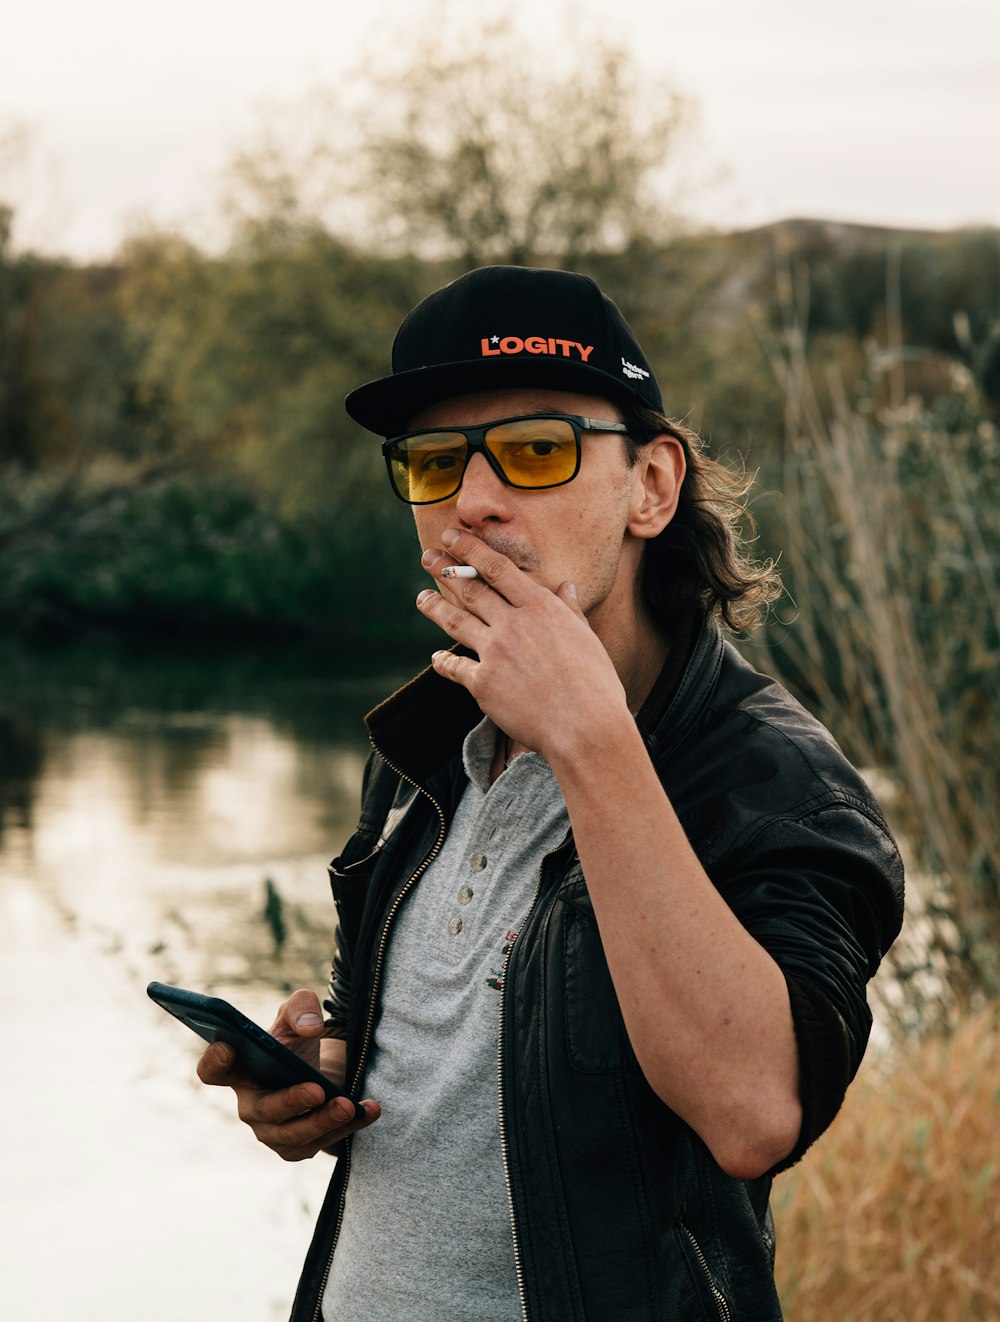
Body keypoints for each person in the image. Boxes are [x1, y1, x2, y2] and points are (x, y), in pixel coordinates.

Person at [199, 265, 904, 1321]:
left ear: (651, 488)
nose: (473, 500)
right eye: (435, 463)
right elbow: (459, 1049)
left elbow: (754, 1113)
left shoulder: (778, 785)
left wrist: (589, 743)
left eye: (535, 450)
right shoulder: (421, 742)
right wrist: (319, 1075)